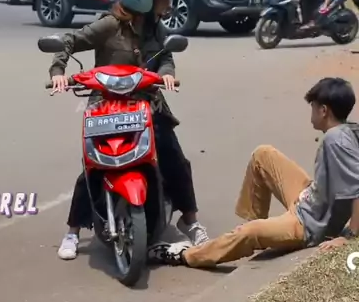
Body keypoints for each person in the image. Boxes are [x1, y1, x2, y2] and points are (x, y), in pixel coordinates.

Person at [49, 0, 209, 260]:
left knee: (174, 158)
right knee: (94, 164)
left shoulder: (156, 27)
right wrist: (59, 71)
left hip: (147, 103)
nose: (168, 1)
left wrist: (167, 73)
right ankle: (73, 231)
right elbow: (70, 41)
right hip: (106, 103)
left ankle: (190, 220)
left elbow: (166, 56)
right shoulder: (108, 25)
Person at [152, 78, 359, 268]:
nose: (311, 112)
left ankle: (186, 255)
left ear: (323, 111)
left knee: (249, 233)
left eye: (313, 106)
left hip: (309, 225)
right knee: (263, 155)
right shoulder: (347, 130)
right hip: (309, 199)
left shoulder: (334, 140)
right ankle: (252, 228)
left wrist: (350, 236)